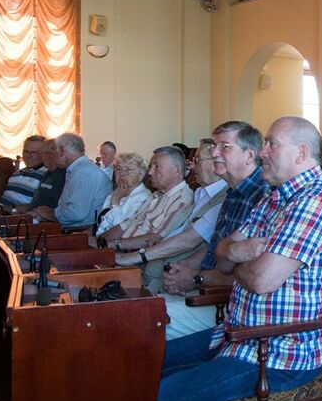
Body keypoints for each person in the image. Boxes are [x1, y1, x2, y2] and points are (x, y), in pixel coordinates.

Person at [151, 116, 322, 401]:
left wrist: (240, 260)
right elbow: (223, 252)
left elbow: (260, 280)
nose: (262, 152)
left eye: (272, 144)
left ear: (301, 154)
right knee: (148, 365)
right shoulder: (274, 196)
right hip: (238, 333)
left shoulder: (314, 202)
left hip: (282, 350)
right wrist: (243, 253)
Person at [157, 121, 269, 339]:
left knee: (144, 320)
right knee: (134, 308)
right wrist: (182, 269)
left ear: (249, 155)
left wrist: (196, 278)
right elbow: (214, 247)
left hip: (229, 303)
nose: (214, 153)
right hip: (205, 289)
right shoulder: (233, 192)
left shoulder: (263, 195)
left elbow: (251, 273)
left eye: (224, 147)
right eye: (214, 147)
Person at [116, 139, 228, 293]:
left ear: (217, 162)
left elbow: (189, 241)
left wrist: (132, 255)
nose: (192, 167)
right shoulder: (200, 193)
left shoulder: (223, 198)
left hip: (174, 279)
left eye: (197, 160)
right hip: (154, 270)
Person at [101, 146, 193, 252]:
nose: (149, 172)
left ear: (176, 170)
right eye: (150, 167)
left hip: (130, 256)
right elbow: (126, 224)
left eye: (156, 167)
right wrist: (100, 241)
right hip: (116, 249)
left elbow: (156, 240)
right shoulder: (156, 195)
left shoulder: (181, 200)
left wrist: (112, 245)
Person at [34, 133, 112, 229]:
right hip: (74, 228)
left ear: (62, 151)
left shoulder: (83, 173)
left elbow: (76, 214)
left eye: (54, 150)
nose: (52, 155)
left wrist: (52, 214)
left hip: (79, 231)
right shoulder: (78, 170)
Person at [95, 152, 152, 236]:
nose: (121, 173)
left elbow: (124, 231)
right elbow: (101, 223)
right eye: (118, 169)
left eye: (128, 170)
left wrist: (115, 203)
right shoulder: (115, 193)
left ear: (140, 176)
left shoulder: (144, 198)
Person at [0, 135, 46, 209]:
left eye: (33, 152)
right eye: (26, 151)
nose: (28, 156)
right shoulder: (16, 174)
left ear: (44, 154)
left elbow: (42, 207)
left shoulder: (47, 176)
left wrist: (12, 209)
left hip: (17, 214)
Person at [25, 139, 66, 212]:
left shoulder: (63, 175)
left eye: (42, 154)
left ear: (50, 155)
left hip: (44, 217)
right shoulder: (48, 173)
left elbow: (56, 206)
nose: (41, 157)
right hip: (31, 214)